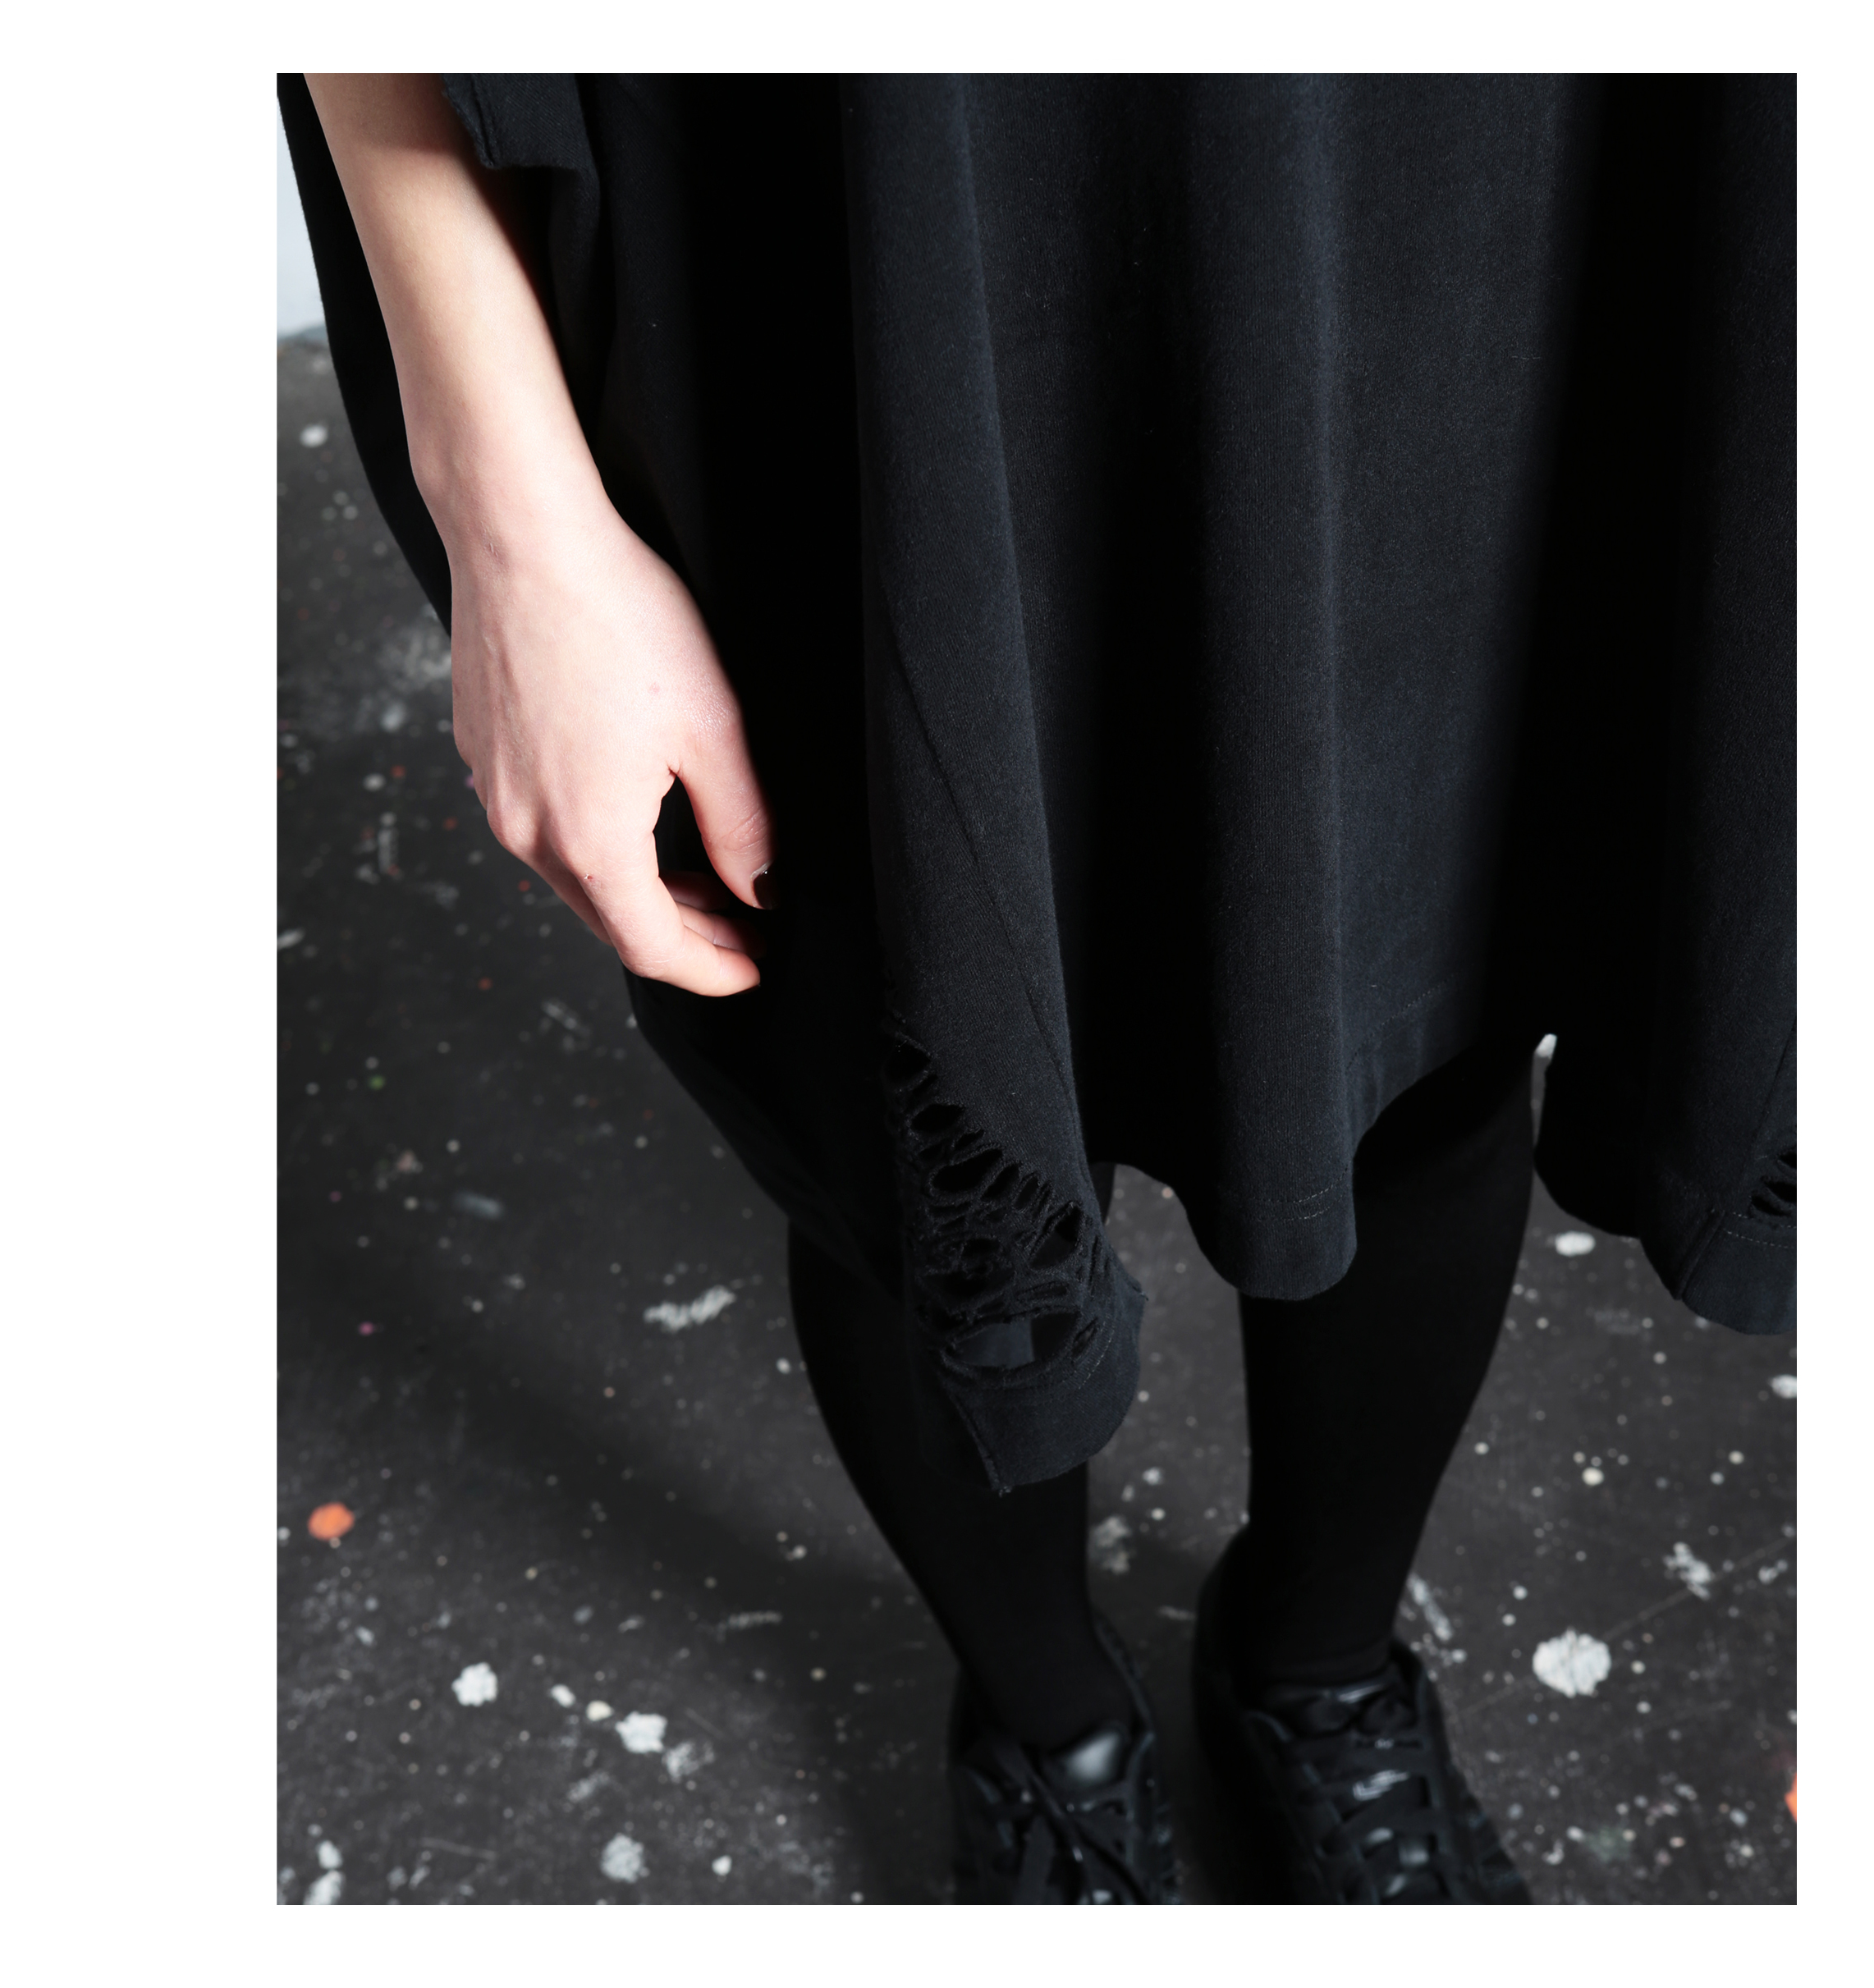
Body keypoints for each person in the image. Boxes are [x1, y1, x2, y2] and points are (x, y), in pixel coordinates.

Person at [284, 72, 1795, 1904]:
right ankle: (1054, 1725)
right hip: (832, 205)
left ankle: (1315, 1668)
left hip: (1450, 168)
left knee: (1428, 1016)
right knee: (914, 1120)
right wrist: (509, 510)